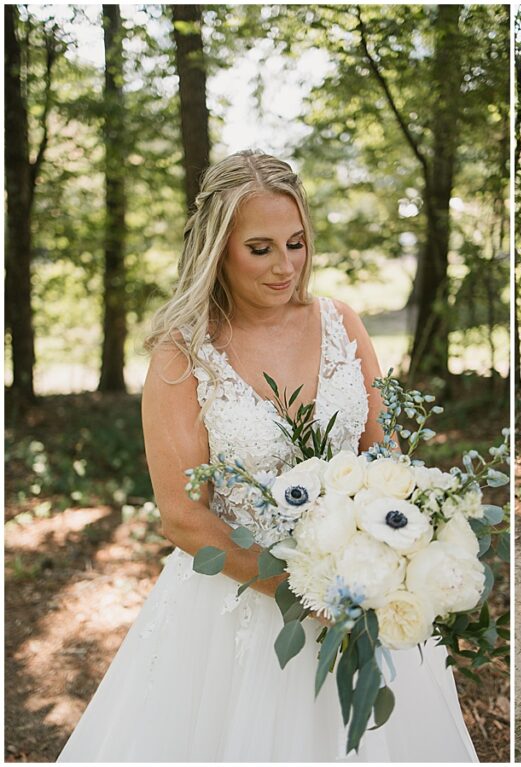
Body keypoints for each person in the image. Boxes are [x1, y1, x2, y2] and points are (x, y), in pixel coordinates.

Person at [58, 151, 478, 762]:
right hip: (238, 602)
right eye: (261, 248)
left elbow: (384, 457)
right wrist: (311, 594)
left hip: (364, 586)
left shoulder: (342, 323)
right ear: (218, 250)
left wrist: (393, 559)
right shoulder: (184, 354)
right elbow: (181, 514)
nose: (286, 266)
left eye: (297, 242)